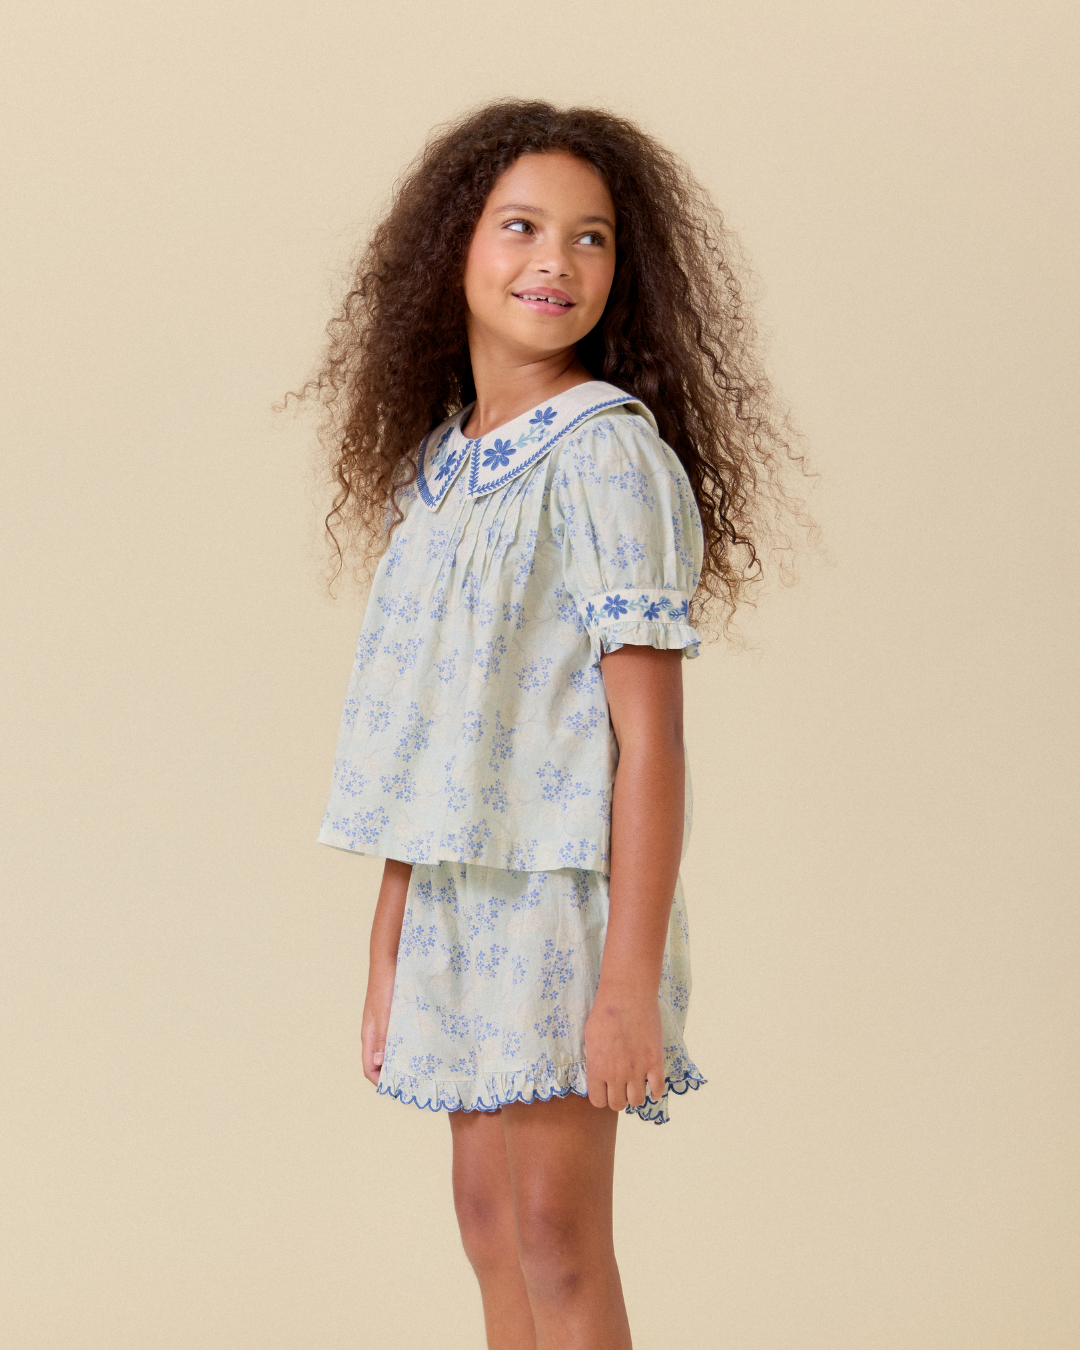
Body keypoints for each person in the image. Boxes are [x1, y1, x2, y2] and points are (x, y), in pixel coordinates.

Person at [301, 99, 807, 1350]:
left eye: (592, 238)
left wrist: (626, 982)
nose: (557, 262)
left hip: (557, 901)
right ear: (454, 251)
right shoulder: (439, 472)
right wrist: (389, 935)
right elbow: (430, 738)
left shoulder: (604, 457)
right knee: (487, 1222)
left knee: (555, 1238)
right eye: (522, 227)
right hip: (458, 896)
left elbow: (653, 743)